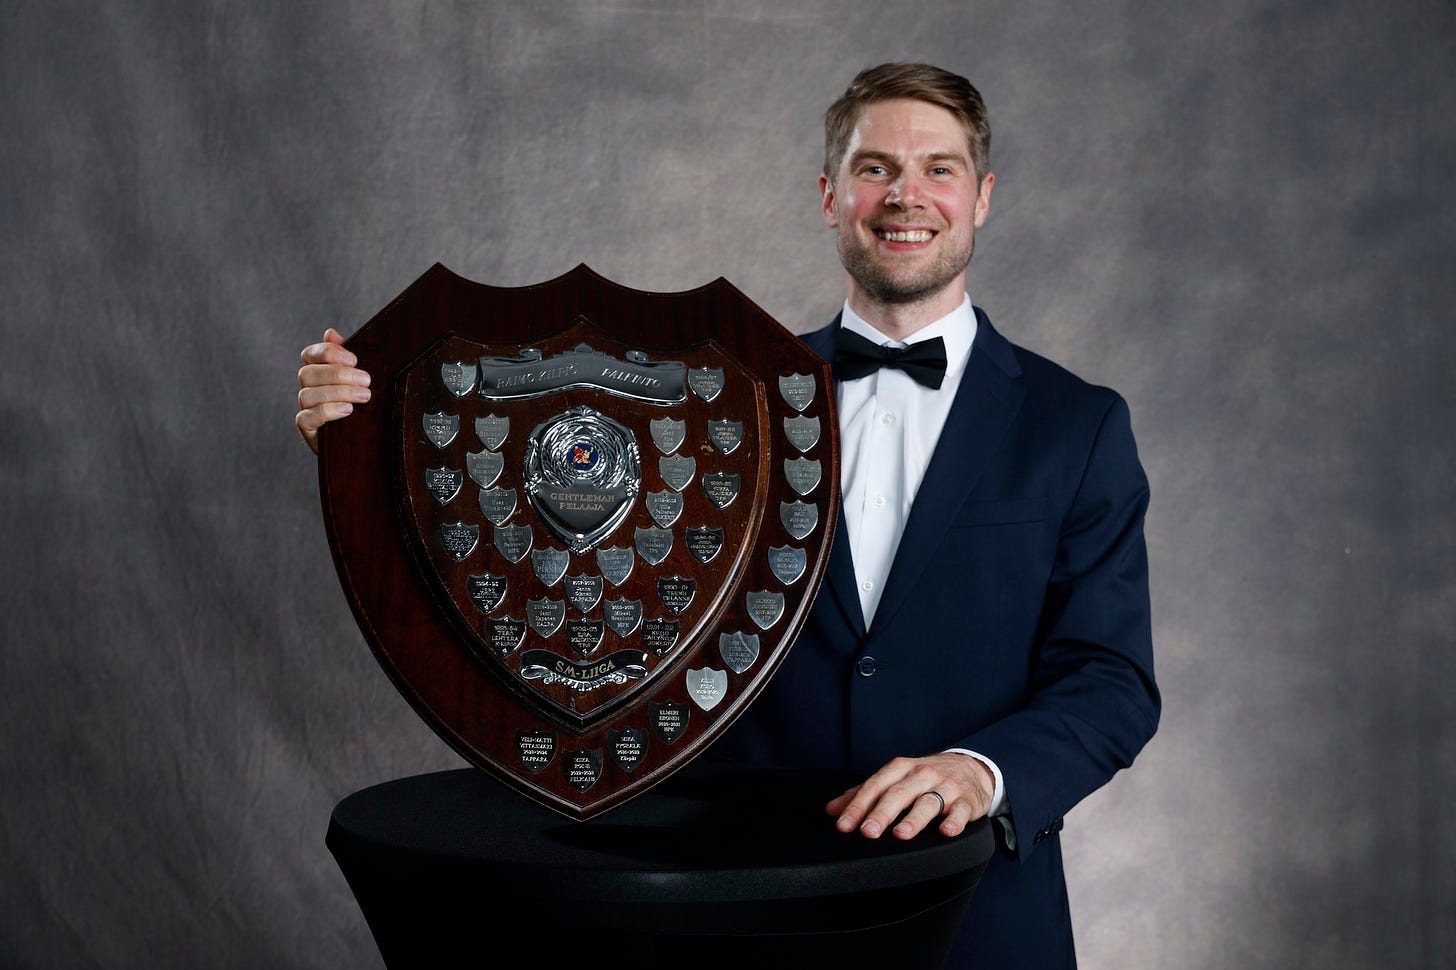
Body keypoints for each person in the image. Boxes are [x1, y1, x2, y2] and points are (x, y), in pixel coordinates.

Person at [296, 62, 1159, 969]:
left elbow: (1112, 682)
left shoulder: (1078, 426)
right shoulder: (724, 403)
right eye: (875, 168)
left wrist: (981, 774)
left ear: (982, 197)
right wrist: (367, 450)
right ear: (830, 196)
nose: (906, 195)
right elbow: (556, 530)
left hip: (982, 915)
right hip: (749, 910)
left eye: (939, 169)